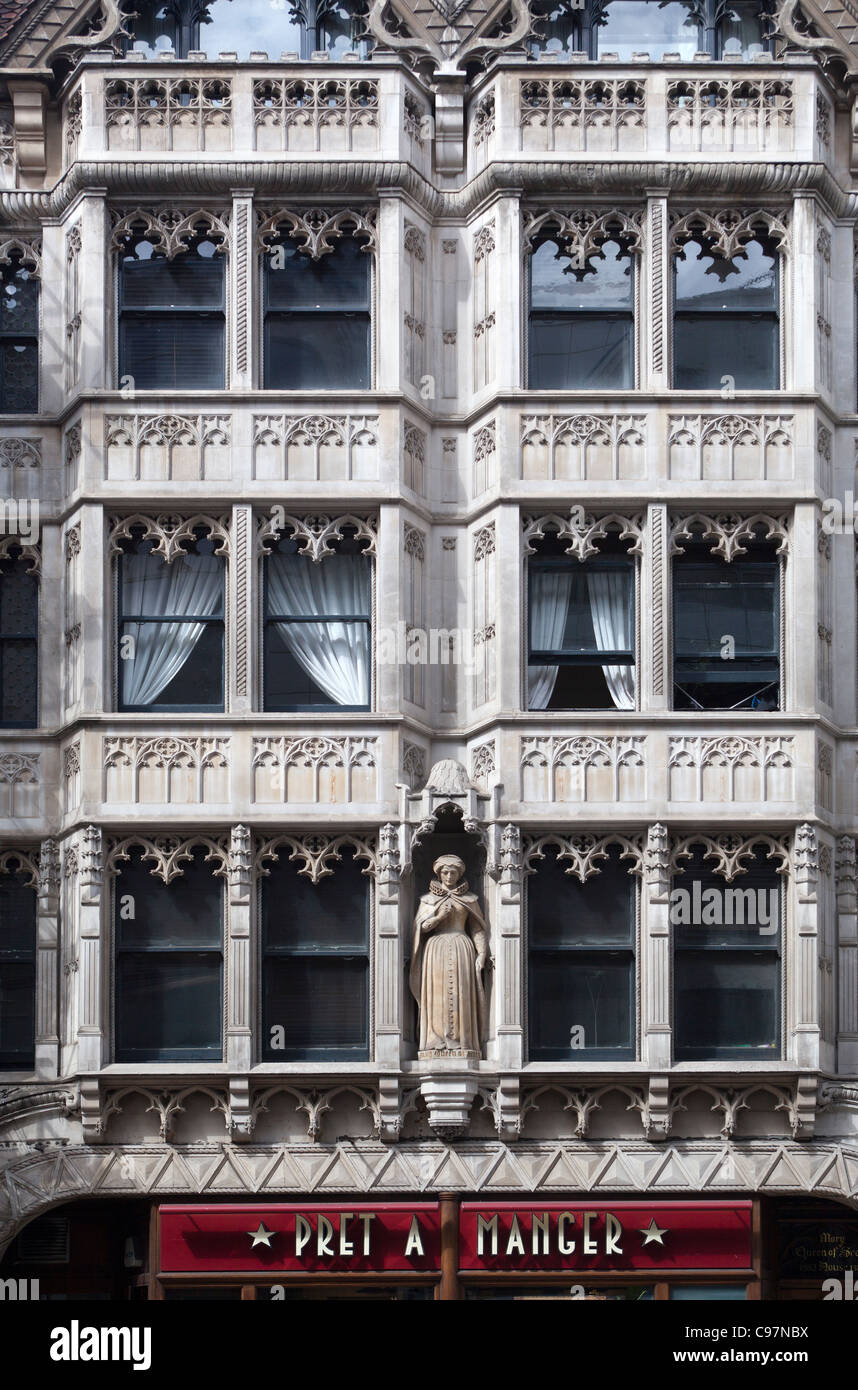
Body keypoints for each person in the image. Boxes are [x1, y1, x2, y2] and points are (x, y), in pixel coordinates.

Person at [409, 854, 489, 1058]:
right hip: (435, 950)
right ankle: (435, 1042)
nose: (449, 876)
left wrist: (481, 954)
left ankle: (463, 1042)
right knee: (436, 996)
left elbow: (477, 928)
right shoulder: (427, 900)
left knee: (460, 994)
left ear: (459, 874)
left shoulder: (470, 899)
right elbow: (421, 928)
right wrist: (439, 917)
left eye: (453, 872)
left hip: (462, 947)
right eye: (445, 872)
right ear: (438, 873)